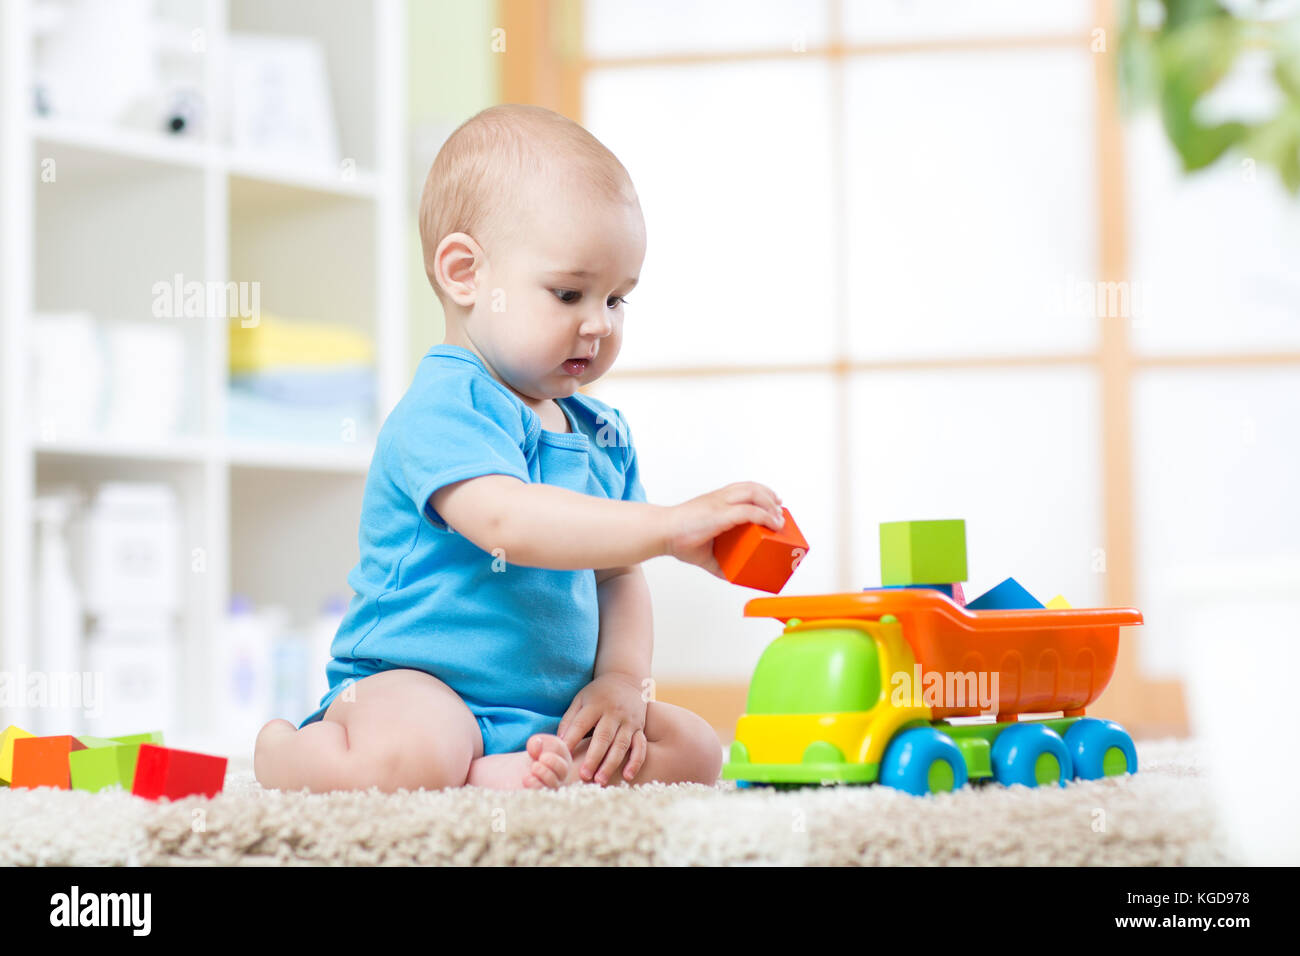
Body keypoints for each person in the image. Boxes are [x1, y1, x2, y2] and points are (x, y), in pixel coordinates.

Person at [254, 104, 785, 793]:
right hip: (419, 686)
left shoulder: (604, 433)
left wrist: (621, 683)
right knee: (410, 758)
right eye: (569, 293)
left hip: (547, 703)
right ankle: (287, 754)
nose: (598, 323)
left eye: (618, 299)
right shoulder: (445, 406)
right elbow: (511, 520)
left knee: (693, 750)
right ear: (465, 273)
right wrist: (667, 525)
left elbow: (619, 576)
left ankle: (498, 774)